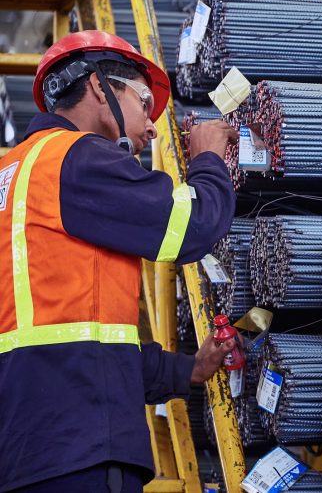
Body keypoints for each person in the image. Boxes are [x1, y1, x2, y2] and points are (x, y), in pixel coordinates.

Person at [0, 31, 240, 492]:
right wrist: (208, 159)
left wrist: (186, 370)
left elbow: (73, 335)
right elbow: (190, 227)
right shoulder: (78, 159)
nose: (152, 127)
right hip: (81, 449)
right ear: (97, 86)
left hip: (27, 452)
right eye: (144, 102)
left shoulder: (15, 175)